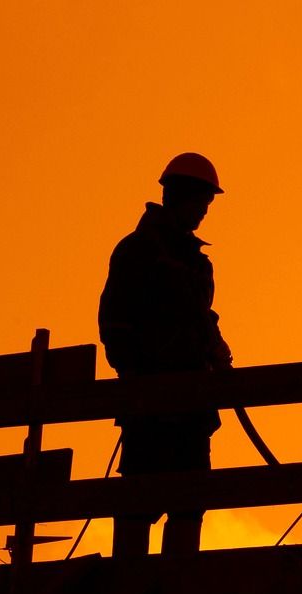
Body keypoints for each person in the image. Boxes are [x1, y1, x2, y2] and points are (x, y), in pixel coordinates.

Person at [98, 152, 233, 556]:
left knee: (189, 502)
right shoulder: (138, 252)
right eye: (200, 202)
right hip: (150, 407)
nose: (203, 212)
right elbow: (115, 324)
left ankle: (179, 585)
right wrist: (139, 381)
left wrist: (216, 350)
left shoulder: (196, 263)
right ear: (177, 196)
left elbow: (198, 318)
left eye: (207, 205)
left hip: (192, 407)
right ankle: (129, 583)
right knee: (138, 503)